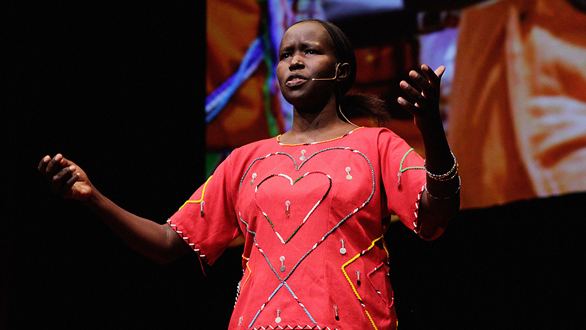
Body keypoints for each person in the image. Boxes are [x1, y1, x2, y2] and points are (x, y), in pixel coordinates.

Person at [38, 19, 460, 330]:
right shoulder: (247, 159)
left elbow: (435, 217)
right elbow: (170, 242)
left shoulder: (376, 145)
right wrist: (94, 198)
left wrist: (431, 132)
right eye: (285, 54)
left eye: (310, 52)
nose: (294, 61)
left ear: (342, 71)